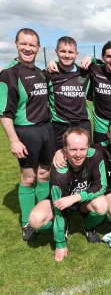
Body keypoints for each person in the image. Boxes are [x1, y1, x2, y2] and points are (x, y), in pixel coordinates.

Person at [0, 28, 54, 241]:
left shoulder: (41, 72)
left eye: (32, 45)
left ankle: (43, 217)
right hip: (26, 132)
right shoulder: (8, 73)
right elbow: (4, 113)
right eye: (24, 44)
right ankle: (27, 223)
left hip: (46, 130)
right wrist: (14, 140)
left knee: (44, 175)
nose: (28, 48)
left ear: (38, 48)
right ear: (16, 44)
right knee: (28, 177)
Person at [28, 127, 108, 261]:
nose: (78, 154)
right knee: (35, 220)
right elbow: (58, 208)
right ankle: (63, 227)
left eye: (82, 149)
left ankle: (88, 226)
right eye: (73, 149)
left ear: (88, 146)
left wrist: (76, 197)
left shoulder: (96, 155)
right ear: (64, 148)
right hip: (61, 202)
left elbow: (101, 186)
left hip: (83, 201)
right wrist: (60, 243)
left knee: (102, 205)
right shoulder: (60, 169)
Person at [44, 36, 92, 150]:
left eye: (70, 52)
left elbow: (105, 65)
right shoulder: (49, 74)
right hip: (59, 126)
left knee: (83, 160)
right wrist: (51, 62)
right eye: (62, 51)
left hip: (82, 124)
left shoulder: (85, 72)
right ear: (56, 52)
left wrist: (91, 58)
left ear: (76, 53)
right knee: (59, 161)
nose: (67, 55)